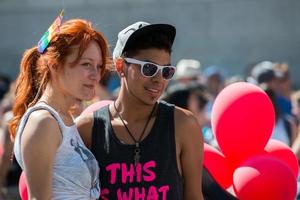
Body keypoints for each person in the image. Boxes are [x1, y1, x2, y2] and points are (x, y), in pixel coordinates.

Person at [76, 21, 204, 199]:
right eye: (149, 68)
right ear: (121, 66)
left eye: (166, 71)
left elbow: (194, 196)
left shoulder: (183, 125)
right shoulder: (87, 130)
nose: (159, 80)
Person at [8, 15, 110, 199]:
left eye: (99, 66)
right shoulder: (43, 122)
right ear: (55, 65)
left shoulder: (64, 118)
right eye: (86, 64)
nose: (96, 75)